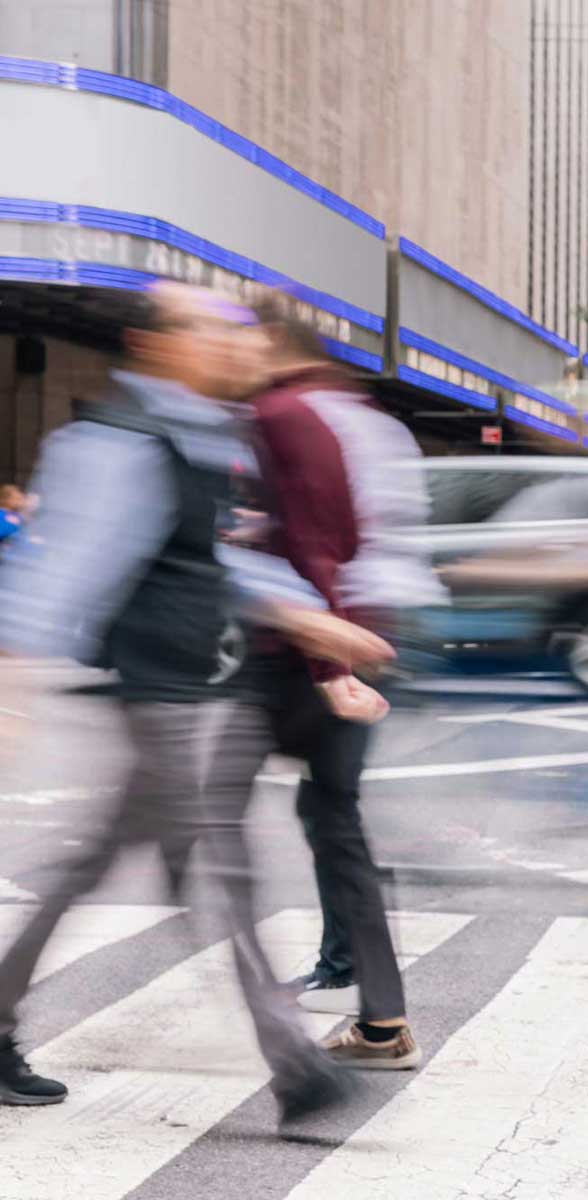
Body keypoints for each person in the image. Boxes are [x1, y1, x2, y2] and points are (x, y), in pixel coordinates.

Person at [0, 281, 392, 1118]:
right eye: (214, 330)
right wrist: (11, 687)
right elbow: (59, 568)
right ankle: (296, 1068)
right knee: (220, 868)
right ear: (157, 343)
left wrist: (317, 629)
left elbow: (217, 566)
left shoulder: (206, 436)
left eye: (239, 331)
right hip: (169, 696)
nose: (236, 345)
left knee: (92, 865)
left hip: (207, 687)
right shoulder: (116, 442)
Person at [207, 297, 446, 1066]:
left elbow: (318, 542)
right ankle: (378, 1011)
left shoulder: (282, 412)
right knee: (330, 815)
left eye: (236, 338)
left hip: (306, 646)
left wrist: (327, 665)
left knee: (207, 817)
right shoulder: (367, 416)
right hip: (372, 626)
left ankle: (292, 1011)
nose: (228, 353)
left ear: (272, 342)